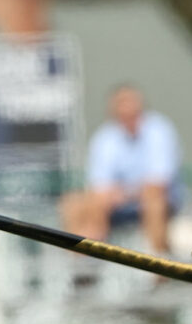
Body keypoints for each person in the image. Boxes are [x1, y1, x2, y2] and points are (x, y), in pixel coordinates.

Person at [58, 84, 182, 254]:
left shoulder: (159, 130)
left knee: (154, 202)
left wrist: (121, 193)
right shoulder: (105, 137)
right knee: (73, 203)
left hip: (157, 202)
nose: (127, 109)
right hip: (118, 204)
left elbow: (158, 184)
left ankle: (159, 263)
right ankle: (85, 265)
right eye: (122, 104)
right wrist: (116, 195)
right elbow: (99, 187)